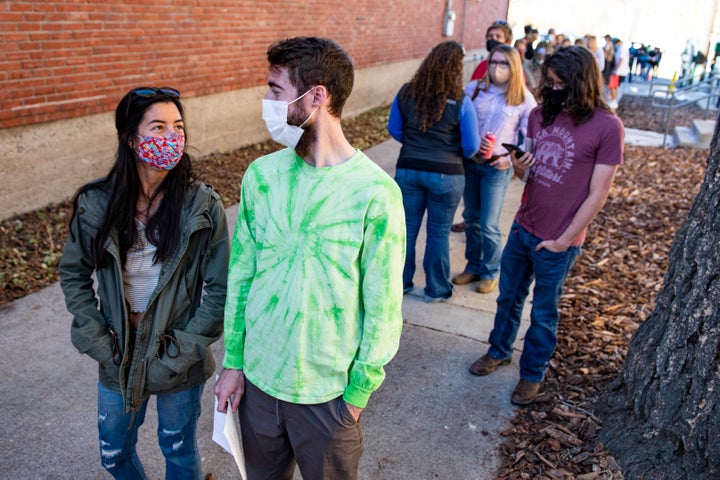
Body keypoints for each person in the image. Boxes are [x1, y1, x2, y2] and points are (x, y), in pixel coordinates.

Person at [214, 37, 406, 480]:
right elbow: (242, 275)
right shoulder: (261, 176)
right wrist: (234, 363)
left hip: (328, 397)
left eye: (275, 90)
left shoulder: (375, 194)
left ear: (316, 97)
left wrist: (357, 394)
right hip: (259, 387)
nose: (266, 102)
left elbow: (383, 306)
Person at [59, 87, 229, 479]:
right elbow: (73, 273)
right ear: (132, 138)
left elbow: (220, 288)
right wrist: (98, 338)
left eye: (178, 126)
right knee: (114, 453)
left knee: (178, 449)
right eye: (158, 126)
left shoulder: (201, 205)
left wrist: (184, 349)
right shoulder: (97, 203)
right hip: (118, 352)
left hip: (177, 356)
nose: (172, 136)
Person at [467, 46, 624, 406]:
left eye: (559, 84)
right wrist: (519, 164)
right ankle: (499, 350)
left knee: (543, 311)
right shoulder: (540, 115)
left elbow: (598, 195)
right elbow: (527, 173)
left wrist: (564, 240)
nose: (550, 89)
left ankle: (532, 374)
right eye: (548, 82)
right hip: (524, 226)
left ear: (581, 83)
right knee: (508, 298)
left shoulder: (607, 127)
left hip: (558, 239)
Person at [388, 40, 480, 302]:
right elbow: (472, 145)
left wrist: (417, 145)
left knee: (406, 230)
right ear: (456, 68)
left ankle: (401, 283)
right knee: (439, 232)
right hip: (447, 174)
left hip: (408, 170)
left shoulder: (406, 93)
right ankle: (437, 289)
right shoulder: (461, 101)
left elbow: (394, 129)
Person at [452, 45, 536, 294]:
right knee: (471, 219)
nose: (496, 68)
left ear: (514, 67)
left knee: (488, 223)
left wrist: (509, 161)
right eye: (493, 62)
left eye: (503, 64)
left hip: (497, 167)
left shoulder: (523, 99)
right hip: (472, 162)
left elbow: (528, 138)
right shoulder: (475, 89)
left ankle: (491, 270)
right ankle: (474, 265)